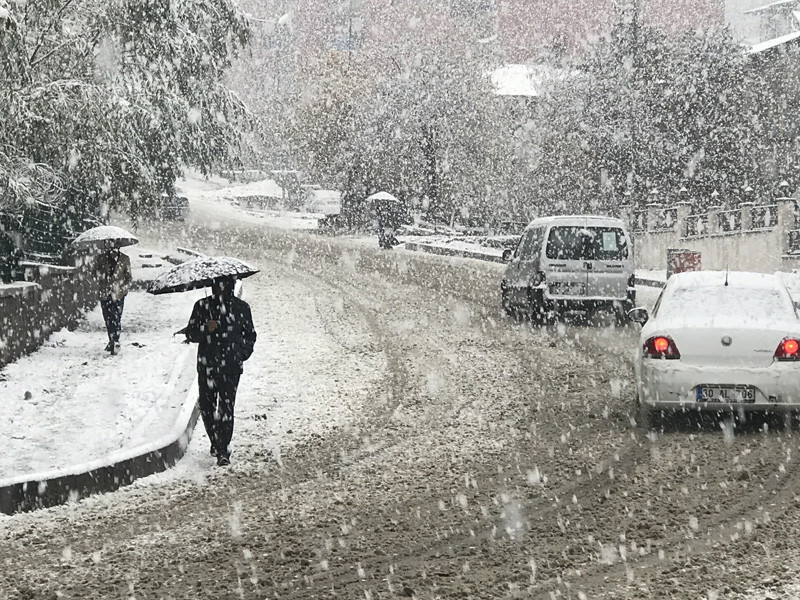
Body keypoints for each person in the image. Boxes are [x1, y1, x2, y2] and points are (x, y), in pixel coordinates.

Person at [184, 276, 257, 466]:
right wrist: (205, 328)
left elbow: (250, 335)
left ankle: (223, 448)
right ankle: (215, 441)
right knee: (207, 408)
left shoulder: (241, 308)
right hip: (207, 365)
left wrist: (241, 354)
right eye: (219, 286)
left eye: (226, 286)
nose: (223, 290)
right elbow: (191, 333)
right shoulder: (202, 306)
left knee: (226, 408)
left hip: (231, 366)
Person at [95, 247, 132, 355]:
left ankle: (115, 340)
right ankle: (112, 340)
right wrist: (101, 274)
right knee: (107, 317)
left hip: (119, 294)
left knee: (116, 317)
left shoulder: (125, 259)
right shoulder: (101, 258)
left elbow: (129, 278)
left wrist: (123, 289)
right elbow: (95, 274)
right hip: (105, 293)